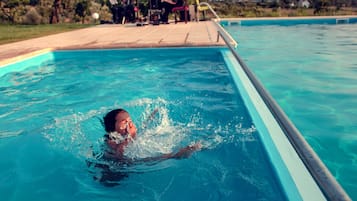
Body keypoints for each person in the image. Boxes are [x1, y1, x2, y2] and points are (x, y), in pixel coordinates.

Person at [102, 108, 201, 161]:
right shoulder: (110, 139)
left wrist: (149, 120)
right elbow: (120, 154)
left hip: (128, 157)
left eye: (130, 120)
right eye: (124, 122)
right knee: (153, 159)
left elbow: (139, 133)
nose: (130, 124)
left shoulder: (126, 134)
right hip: (117, 171)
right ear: (112, 128)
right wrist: (131, 135)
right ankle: (176, 155)